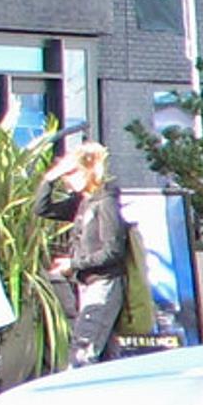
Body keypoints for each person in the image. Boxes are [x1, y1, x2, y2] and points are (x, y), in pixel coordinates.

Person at [41, 137, 131, 368]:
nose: (67, 180)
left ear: (88, 171)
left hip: (104, 283)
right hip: (87, 283)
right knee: (103, 354)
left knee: (83, 352)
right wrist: (49, 178)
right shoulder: (82, 203)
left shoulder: (106, 202)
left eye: (72, 173)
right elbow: (42, 208)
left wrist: (75, 263)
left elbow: (113, 251)